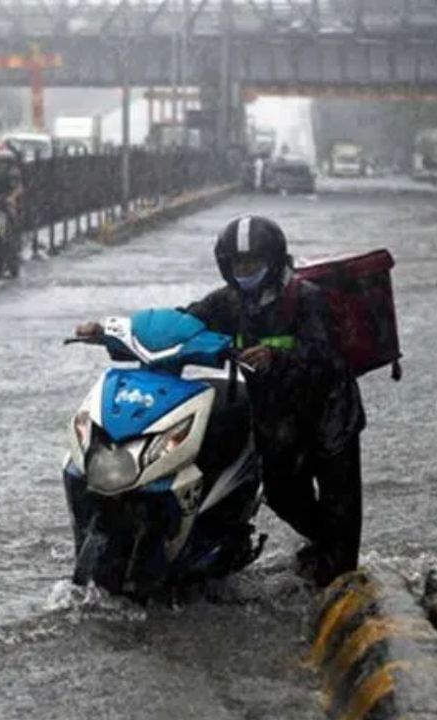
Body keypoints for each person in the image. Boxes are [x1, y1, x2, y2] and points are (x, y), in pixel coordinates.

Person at [74, 216, 367, 587]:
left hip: (329, 414)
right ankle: (323, 546)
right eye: (236, 264)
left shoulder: (306, 298)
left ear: (273, 261)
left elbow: (326, 355)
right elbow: (180, 324)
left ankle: (342, 574)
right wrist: (110, 333)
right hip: (277, 414)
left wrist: (277, 357)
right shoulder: (230, 302)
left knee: (341, 503)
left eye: (252, 264)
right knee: (281, 492)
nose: (244, 271)